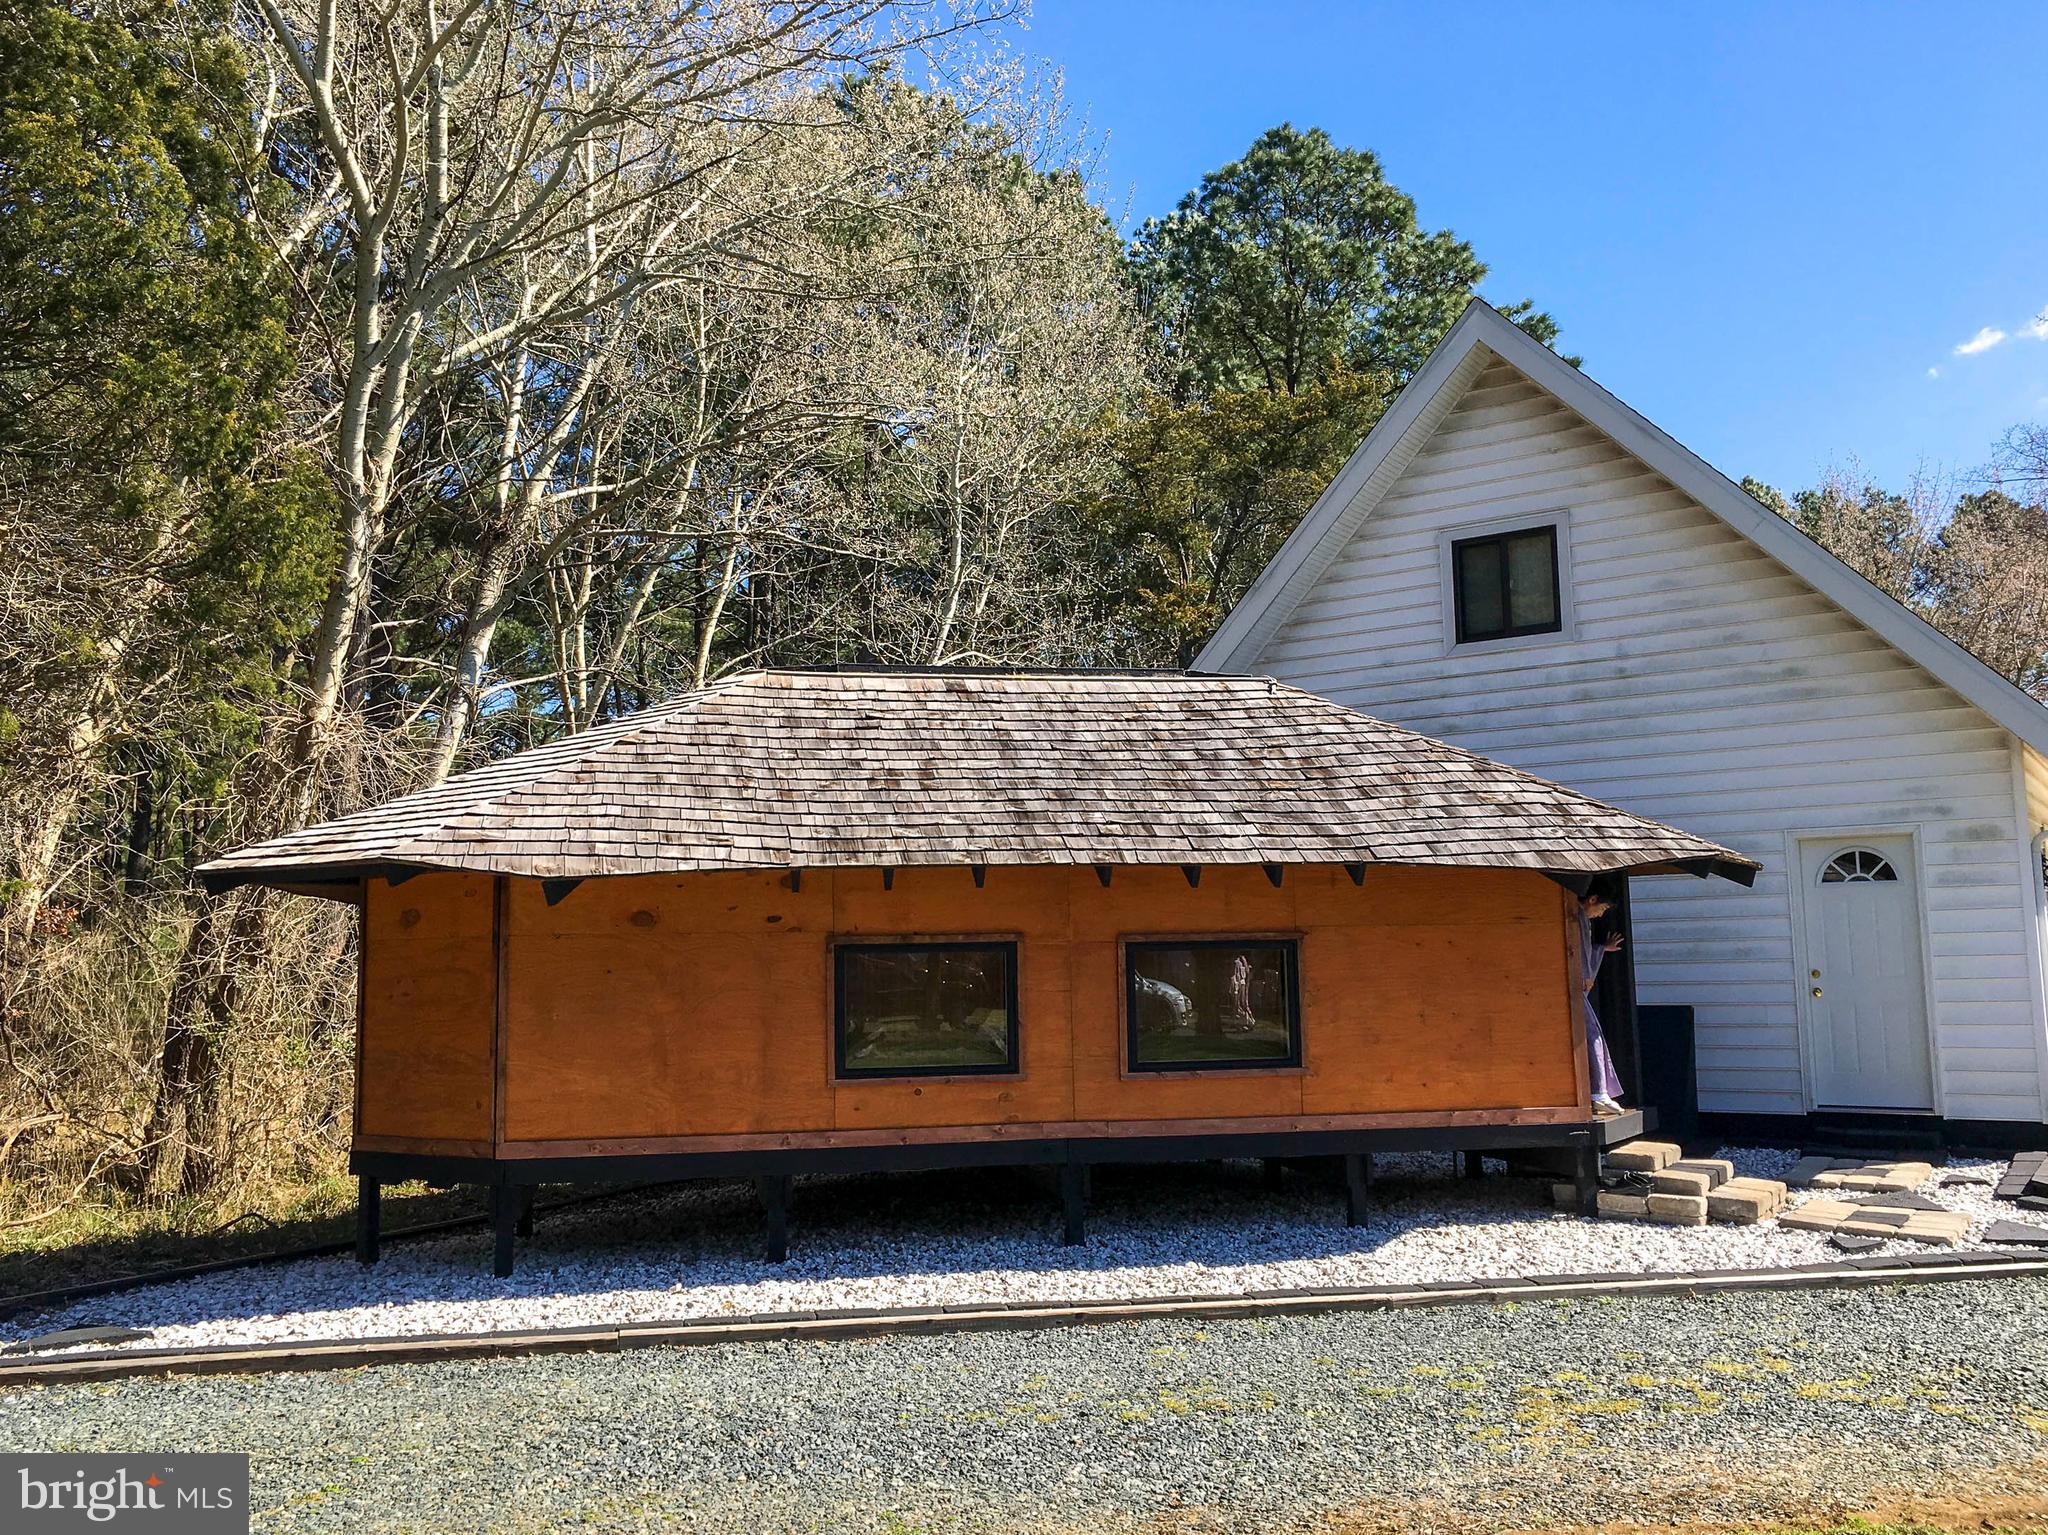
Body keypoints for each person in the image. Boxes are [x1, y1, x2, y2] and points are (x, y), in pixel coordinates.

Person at [1576, 889, 1627, 1116]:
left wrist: (1602, 948)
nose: (1600, 914)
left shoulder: (1581, 919)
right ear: (1593, 898)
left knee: (1592, 1034)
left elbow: (1585, 951)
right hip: (1573, 986)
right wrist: (1586, 975)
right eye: (1602, 909)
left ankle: (1599, 1091)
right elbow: (1575, 953)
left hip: (1578, 985)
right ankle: (1598, 1092)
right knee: (1592, 1034)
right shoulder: (1573, 917)